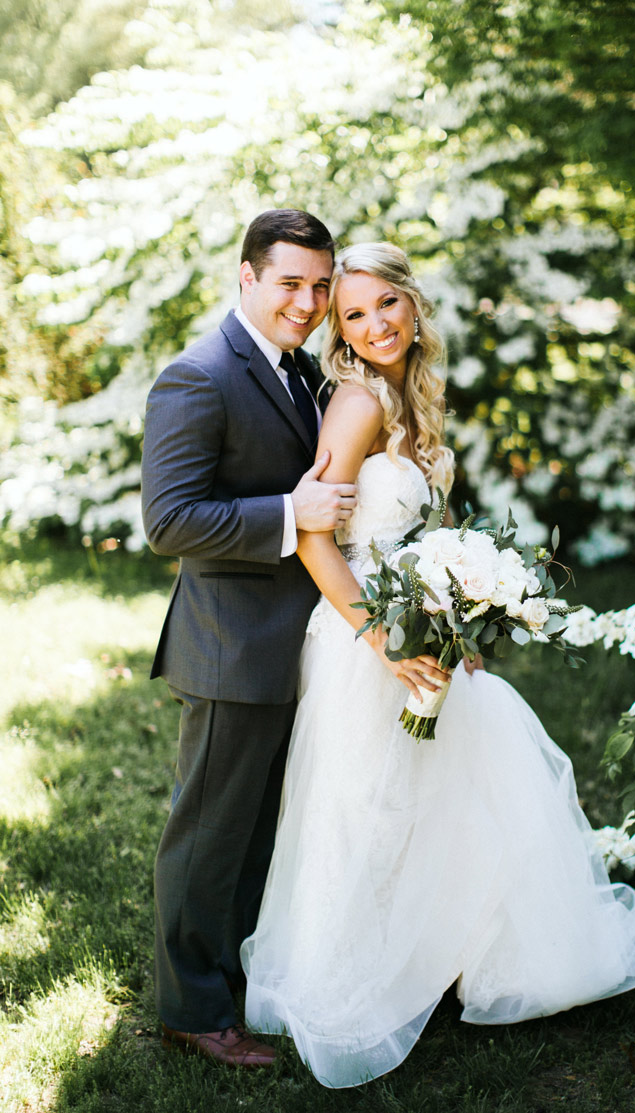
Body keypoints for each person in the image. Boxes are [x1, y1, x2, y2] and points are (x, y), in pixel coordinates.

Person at [240, 242, 635, 1088]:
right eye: (351, 315)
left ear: (411, 303)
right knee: (371, 806)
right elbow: (318, 538)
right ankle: (360, 974)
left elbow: (429, 527)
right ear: (339, 329)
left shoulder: (408, 397)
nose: (372, 325)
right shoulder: (355, 403)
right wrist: (383, 641)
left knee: (442, 791)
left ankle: (443, 958)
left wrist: (462, 609)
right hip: (367, 634)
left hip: (421, 624)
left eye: (383, 305)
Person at [141, 209, 361, 1069]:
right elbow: (168, 520)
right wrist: (287, 516)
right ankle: (190, 1008)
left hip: (293, 641)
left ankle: (233, 978)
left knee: (260, 832)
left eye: (319, 285)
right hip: (230, 645)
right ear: (246, 275)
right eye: (289, 284)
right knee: (209, 834)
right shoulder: (197, 376)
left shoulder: (299, 368)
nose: (307, 302)